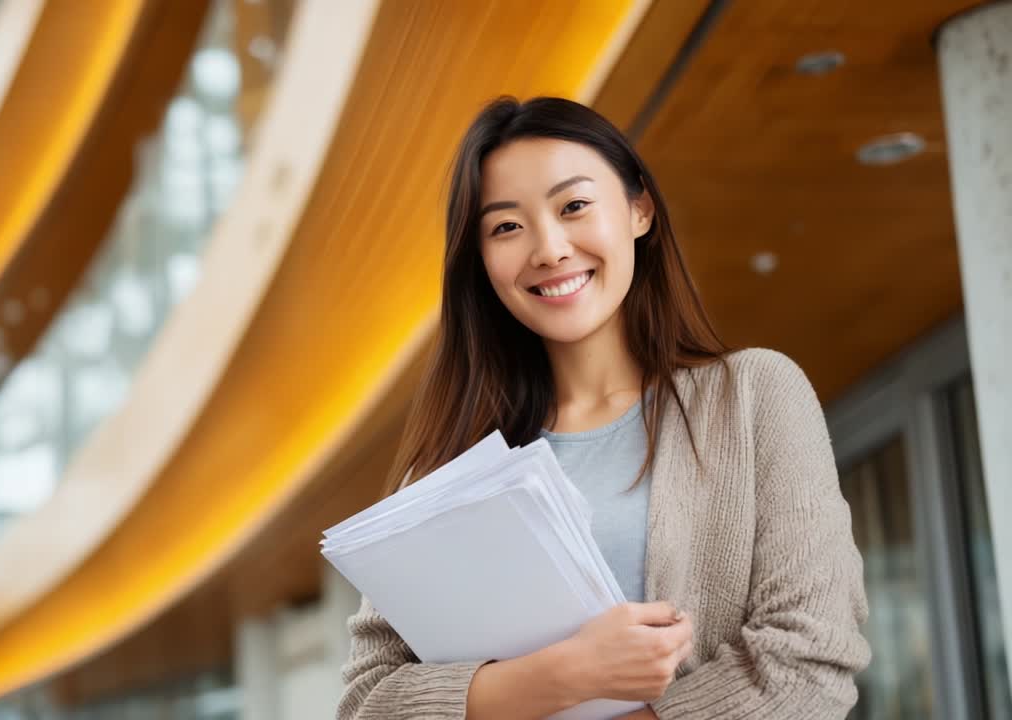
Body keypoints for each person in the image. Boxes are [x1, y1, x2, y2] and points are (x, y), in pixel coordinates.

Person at [335, 96, 870, 720]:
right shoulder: (449, 468)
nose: (550, 248)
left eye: (574, 206)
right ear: (481, 261)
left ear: (639, 208)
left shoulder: (754, 396)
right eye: (506, 226)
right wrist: (568, 673)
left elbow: (809, 663)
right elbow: (369, 701)